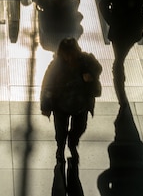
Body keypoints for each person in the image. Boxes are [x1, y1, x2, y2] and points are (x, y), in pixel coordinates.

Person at [40, 37, 102, 165]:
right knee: (60, 131)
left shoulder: (86, 60)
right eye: (67, 54)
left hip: (81, 105)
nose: (70, 57)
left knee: (80, 128)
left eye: (72, 53)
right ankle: (61, 149)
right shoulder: (55, 67)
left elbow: (98, 68)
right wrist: (45, 106)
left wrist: (90, 75)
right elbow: (47, 85)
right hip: (61, 106)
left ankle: (72, 142)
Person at [99, 0, 143, 104]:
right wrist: (111, 20)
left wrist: (141, 23)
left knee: (120, 57)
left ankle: (119, 78)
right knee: (119, 57)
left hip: (130, 30)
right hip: (120, 30)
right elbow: (103, 4)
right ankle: (119, 80)